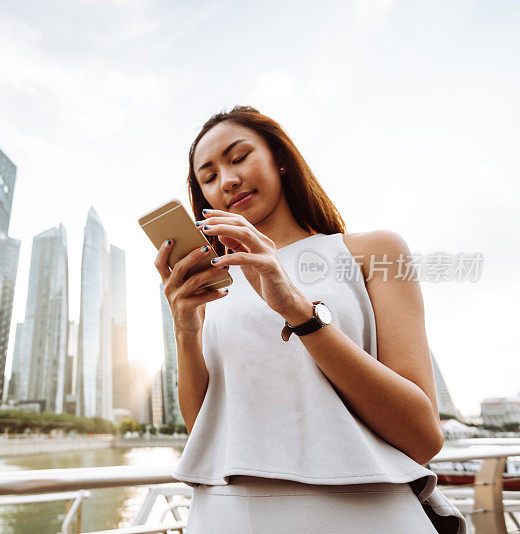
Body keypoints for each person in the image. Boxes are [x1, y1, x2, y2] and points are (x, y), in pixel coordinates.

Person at [154, 107, 465, 533]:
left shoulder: (373, 251)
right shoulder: (215, 287)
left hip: (365, 514)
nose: (226, 180)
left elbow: (422, 436)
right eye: (208, 177)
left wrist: (299, 312)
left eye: (239, 157)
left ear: (280, 158)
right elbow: (204, 430)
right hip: (226, 515)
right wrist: (185, 329)